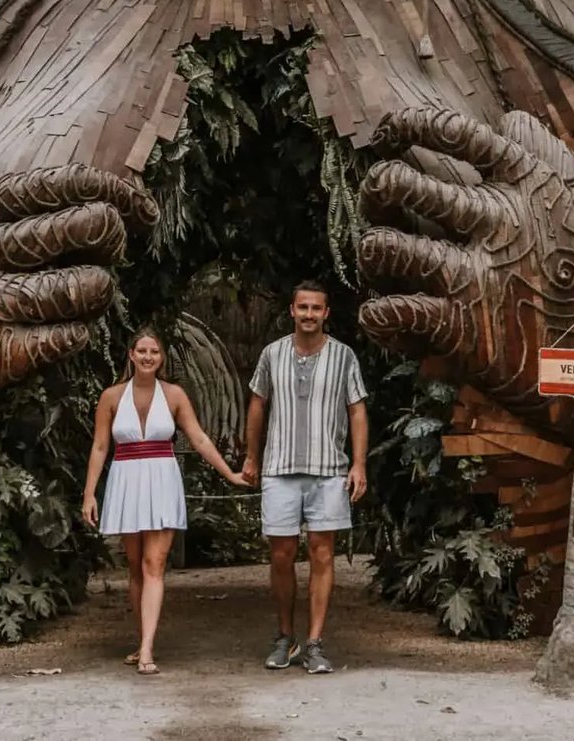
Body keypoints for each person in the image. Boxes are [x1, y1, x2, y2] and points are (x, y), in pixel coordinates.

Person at [82, 328, 248, 674]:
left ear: (162, 357)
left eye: (154, 351)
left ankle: (146, 650)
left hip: (161, 479)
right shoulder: (111, 396)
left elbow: (199, 438)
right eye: (141, 350)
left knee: (153, 564)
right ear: (131, 354)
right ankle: (141, 638)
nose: (147, 356)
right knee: (134, 565)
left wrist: (230, 474)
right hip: (125, 478)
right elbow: (100, 447)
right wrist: (89, 494)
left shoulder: (174, 394)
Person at [241, 280, 368, 675]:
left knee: (322, 554)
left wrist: (359, 464)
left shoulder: (344, 356)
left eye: (317, 308)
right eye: (303, 308)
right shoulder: (272, 354)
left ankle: (314, 643)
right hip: (279, 468)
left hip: (329, 470)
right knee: (280, 555)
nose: (309, 314)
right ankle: (285, 637)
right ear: (292, 311)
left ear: (326, 313)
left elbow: (358, 411)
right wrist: (251, 456)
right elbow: (258, 405)